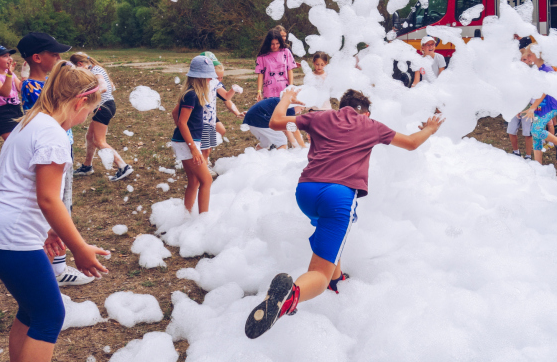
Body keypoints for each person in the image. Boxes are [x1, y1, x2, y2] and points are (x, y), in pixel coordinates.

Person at [244, 88, 444, 339]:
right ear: (367, 112)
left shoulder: (321, 117)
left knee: (328, 233)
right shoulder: (371, 124)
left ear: (342, 108)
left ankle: (336, 281)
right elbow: (412, 143)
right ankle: (290, 298)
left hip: (306, 191)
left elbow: (275, 122)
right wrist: (430, 129)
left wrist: (285, 98)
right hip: (338, 197)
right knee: (319, 271)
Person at [0, 62, 110, 362]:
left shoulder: (30, 122)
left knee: (32, 308)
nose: (86, 119)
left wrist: (47, 231)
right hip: (11, 241)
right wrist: (79, 248)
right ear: (79, 101)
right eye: (89, 112)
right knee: (49, 315)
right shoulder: (53, 136)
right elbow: (49, 200)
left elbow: (14, 183)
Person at [18, 33, 91, 287]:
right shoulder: (32, 86)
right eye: (55, 54)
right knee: (58, 203)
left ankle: (56, 265)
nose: (60, 58)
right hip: (53, 149)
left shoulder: (48, 83)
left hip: (62, 146)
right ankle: (57, 269)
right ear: (37, 58)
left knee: (63, 201)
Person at [70, 53, 132, 182]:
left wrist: (85, 95)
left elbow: (103, 88)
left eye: (76, 69)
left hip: (104, 107)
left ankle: (123, 166)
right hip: (104, 106)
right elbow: (112, 87)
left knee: (99, 141)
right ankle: (87, 167)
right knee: (90, 137)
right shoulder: (96, 69)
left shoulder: (95, 70)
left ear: (80, 64)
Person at [171, 56, 217, 213]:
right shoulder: (192, 95)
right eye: (208, 75)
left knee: (194, 181)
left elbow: (174, 113)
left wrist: (182, 134)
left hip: (185, 141)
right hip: (188, 143)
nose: (211, 78)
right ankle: (203, 219)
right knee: (207, 180)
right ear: (200, 77)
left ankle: (186, 216)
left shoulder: (190, 93)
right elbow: (182, 122)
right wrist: (192, 148)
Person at [520, 45, 557, 164]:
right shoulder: (536, 70)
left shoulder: (546, 70)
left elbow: (544, 90)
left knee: (536, 131)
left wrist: (532, 108)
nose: (527, 57)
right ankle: (538, 166)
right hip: (540, 108)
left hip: (550, 106)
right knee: (536, 138)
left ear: (538, 54)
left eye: (530, 55)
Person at [255, 29, 298, 102]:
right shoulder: (262, 56)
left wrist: (291, 86)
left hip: (284, 90)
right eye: (272, 44)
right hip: (269, 91)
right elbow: (260, 73)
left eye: (277, 43)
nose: (275, 46)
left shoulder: (286, 52)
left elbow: (290, 70)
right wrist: (259, 91)